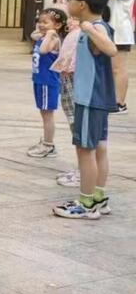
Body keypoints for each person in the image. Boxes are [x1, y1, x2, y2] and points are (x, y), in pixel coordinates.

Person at [54, 0, 118, 220]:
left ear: (82, 4)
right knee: (99, 148)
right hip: (96, 97)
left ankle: (86, 203)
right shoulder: (96, 25)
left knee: (85, 150)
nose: (68, 2)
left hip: (89, 97)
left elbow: (111, 49)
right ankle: (98, 197)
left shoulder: (96, 27)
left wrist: (89, 29)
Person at [27, 8, 66, 159]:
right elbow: (33, 35)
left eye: (45, 22)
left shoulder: (54, 40)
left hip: (47, 82)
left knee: (47, 115)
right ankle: (46, 141)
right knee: (44, 113)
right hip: (39, 80)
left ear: (57, 25)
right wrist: (44, 32)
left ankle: (48, 145)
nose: (41, 25)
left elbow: (43, 50)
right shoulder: (43, 36)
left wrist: (49, 34)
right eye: (40, 21)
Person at [101, 0, 135, 113]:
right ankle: (107, 99)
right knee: (105, 68)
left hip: (120, 30)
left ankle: (120, 103)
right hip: (103, 29)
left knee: (118, 68)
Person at [53, 12, 83, 188]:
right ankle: (81, 169)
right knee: (75, 126)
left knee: (78, 128)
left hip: (75, 82)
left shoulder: (85, 32)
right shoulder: (76, 32)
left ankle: (83, 172)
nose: (70, 21)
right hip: (67, 80)